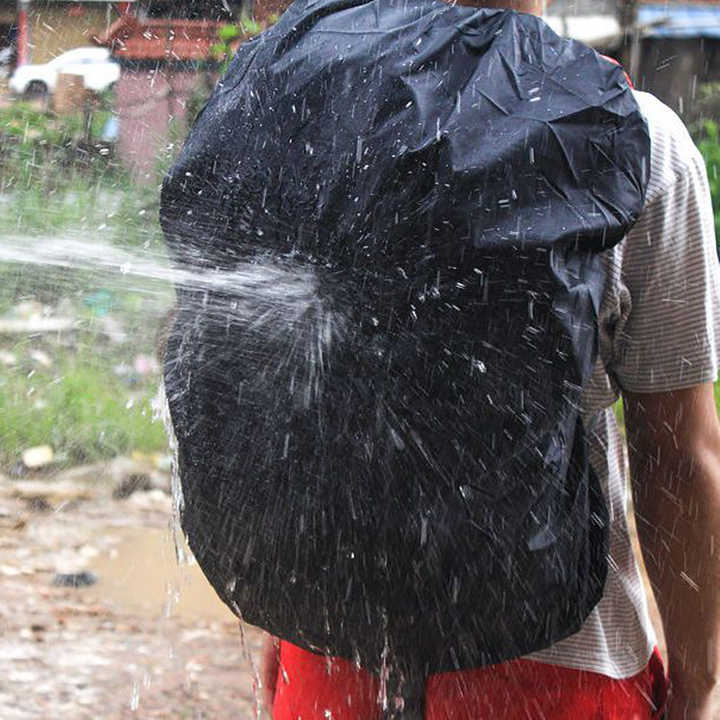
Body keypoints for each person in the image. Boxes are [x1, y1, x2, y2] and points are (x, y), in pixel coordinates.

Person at [257, 1, 720, 719]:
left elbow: (283, 403)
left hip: (336, 660)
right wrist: (696, 687)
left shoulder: (323, 117)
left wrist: (286, 610)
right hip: (562, 671)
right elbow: (680, 457)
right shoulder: (638, 140)